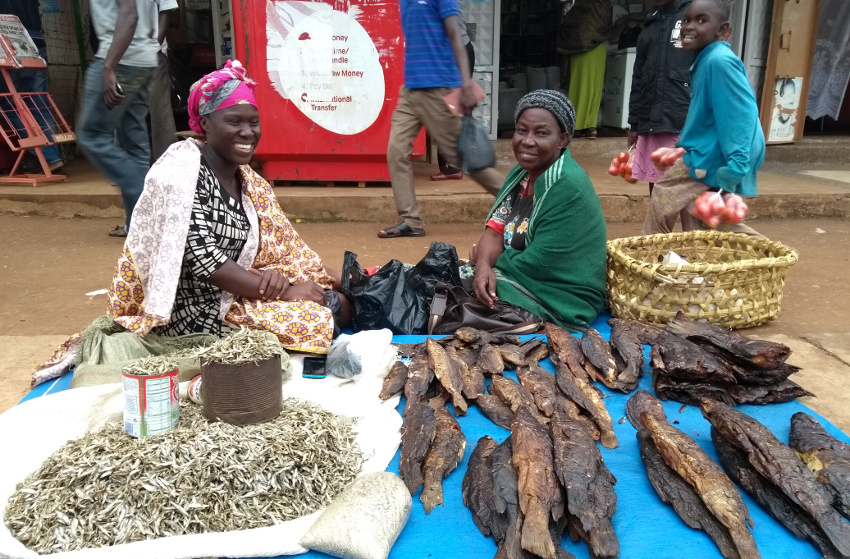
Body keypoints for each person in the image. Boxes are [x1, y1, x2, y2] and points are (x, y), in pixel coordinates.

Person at [107, 60, 350, 353]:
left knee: (337, 300)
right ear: (205, 123)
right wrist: (285, 291)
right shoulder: (181, 173)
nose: (247, 132)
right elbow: (206, 262)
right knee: (316, 319)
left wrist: (281, 278)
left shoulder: (248, 180)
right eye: (234, 121)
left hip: (239, 294)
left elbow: (282, 248)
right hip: (196, 313)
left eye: (253, 122)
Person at [468, 90, 607, 332]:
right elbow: (494, 231)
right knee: (452, 278)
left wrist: (488, 260)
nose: (528, 141)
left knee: (462, 298)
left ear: (562, 140)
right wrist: (483, 265)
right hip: (518, 272)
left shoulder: (568, 185)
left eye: (541, 133)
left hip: (559, 295)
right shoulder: (520, 175)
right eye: (522, 130)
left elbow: (540, 262)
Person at [379, 0, 503, 238]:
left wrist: (465, 84)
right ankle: (411, 220)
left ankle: (519, 202)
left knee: (464, 159)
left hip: (438, 88)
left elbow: (456, 35)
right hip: (411, 89)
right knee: (396, 152)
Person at [643, 0, 764, 236]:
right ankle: (766, 257)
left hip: (720, 154)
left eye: (701, 20)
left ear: (722, 30)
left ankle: (652, 258)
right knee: (707, 214)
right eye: (686, 20)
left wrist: (737, 163)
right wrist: (682, 148)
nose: (689, 26)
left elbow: (740, 115)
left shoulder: (718, 62)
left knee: (664, 194)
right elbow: (707, 118)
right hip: (715, 150)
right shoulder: (708, 59)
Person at [76, 0, 158, 238]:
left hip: (120, 60)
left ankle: (148, 197)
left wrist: (108, 67)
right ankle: (139, 228)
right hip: (144, 60)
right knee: (135, 147)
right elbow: (148, 23)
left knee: (92, 136)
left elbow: (130, 14)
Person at [628, 0, 695, 200]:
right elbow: (638, 76)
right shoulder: (651, 23)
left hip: (682, 116)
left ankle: (688, 232)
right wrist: (634, 122)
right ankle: (660, 229)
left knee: (684, 186)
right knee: (656, 181)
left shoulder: (694, 15)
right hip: (651, 118)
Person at [0, 0, 64, 173]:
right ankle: (52, 156)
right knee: (38, 102)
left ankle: (45, 155)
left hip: (6, 42)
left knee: (8, 104)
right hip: (33, 42)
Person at [558, 0, 611, 139]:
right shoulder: (604, 5)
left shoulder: (583, 4)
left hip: (581, 48)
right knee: (594, 88)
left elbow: (573, 23)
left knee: (578, 86)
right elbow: (604, 22)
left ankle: (576, 126)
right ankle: (590, 127)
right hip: (598, 47)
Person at [431, 10, 474, 181]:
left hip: (455, 54)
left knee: (448, 109)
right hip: (456, 52)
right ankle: (451, 165)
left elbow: (451, 33)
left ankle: (453, 167)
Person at [149, 0, 178, 162]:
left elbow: (167, 10)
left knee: (160, 109)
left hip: (152, 53)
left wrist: (153, 47)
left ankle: (167, 162)